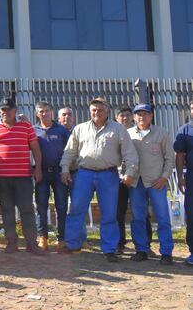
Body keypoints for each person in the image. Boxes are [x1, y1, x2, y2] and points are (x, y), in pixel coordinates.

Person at [61, 97, 139, 262]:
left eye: (100, 110)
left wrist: (130, 171)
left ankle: (109, 249)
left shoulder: (118, 129)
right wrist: (65, 169)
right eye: (94, 110)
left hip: (108, 175)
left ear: (107, 112)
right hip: (84, 174)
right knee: (76, 209)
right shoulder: (80, 129)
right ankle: (73, 244)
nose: (97, 113)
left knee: (110, 213)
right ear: (90, 111)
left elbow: (129, 153)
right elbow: (70, 152)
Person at [0, 97, 44, 255]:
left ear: (15, 111)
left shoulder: (26, 127)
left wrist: (38, 168)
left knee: (27, 209)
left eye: (8, 109)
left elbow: (36, 149)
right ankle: (11, 242)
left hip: (23, 177)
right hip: (2, 178)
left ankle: (31, 243)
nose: (5, 112)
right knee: (7, 210)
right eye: (3, 110)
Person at [127, 104, 175, 265]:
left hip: (156, 182)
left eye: (145, 114)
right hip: (136, 183)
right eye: (138, 114)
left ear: (151, 116)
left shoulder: (161, 133)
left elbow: (170, 158)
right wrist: (124, 174)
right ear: (134, 117)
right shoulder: (128, 134)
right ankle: (141, 249)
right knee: (138, 217)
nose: (142, 117)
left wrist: (164, 177)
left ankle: (166, 252)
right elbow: (123, 156)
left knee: (162, 217)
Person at [33, 101, 71, 251]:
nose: (44, 114)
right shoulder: (33, 130)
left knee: (61, 206)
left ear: (52, 112)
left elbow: (70, 151)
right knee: (41, 206)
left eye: (47, 111)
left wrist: (66, 170)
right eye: (41, 111)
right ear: (37, 114)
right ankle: (42, 237)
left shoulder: (61, 130)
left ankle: (61, 238)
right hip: (40, 172)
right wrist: (34, 169)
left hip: (59, 173)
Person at [114, 105, 151, 253]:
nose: (125, 118)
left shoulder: (140, 133)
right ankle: (119, 242)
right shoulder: (113, 132)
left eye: (128, 115)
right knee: (118, 211)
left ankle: (145, 243)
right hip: (119, 178)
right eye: (122, 115)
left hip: (139, 178)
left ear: (133, 117)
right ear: (116, 118)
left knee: (141, 212)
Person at [173, 101, 193, 266]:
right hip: (192, 178)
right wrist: (180, 177)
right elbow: (179, 155)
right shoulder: (184, 130)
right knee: (192, 215)